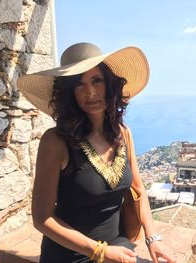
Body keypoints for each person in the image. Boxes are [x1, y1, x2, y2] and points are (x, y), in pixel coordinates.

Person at [18, 42, 176, 263]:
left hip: (117, 247)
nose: (90, 92)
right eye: (79, 84)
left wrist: (153, 239)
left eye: (97, 80)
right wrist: (99, 251)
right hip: (69, 255)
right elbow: (42, 218)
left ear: (110, 84)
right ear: (68, 92)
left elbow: (138, 189)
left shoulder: (123, 133)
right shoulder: (55, 141)